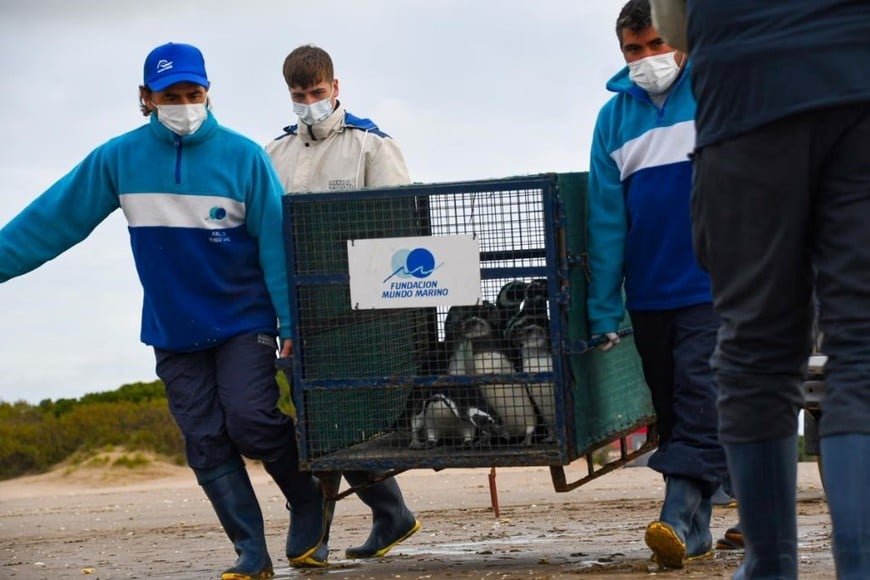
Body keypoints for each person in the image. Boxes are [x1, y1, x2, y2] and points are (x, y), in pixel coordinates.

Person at [0, 42, 334, 579]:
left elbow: (276, 244)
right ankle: (251, 550)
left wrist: (289, 323)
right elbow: (52, 220)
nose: (183, 103)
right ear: (146, 98)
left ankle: (308, 500)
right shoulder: (118, 159)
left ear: (208, 93)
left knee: (250, 419)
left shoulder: (244, 157)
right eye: (170, 95)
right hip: (173, 327)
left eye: (193, 93)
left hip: (243, 318)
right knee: (203, 438)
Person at [655, 1, 870, 578]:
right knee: (864, 347)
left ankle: (770, 563)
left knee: (757, 349)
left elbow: (674, 25)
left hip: (746, 93)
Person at [585, 0, 729, 569]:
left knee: (699, 395)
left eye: (655, 44)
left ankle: (673, 512)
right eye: (633, 50)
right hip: (648, 295)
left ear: (680, 39)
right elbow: (604, 219)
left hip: (718, 285)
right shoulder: (612, 120)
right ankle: (696, 532)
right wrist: (602, 310)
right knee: (673, 408)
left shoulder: (719, 90)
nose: (647, 58)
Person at [265, 44, 421, 565]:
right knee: (322, 415)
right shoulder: (274, 154)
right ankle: (391, 512)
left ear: (335, 87)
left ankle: (313, 538)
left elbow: (397, 229)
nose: (309, 102)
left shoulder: (372, 146)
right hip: (300, 313)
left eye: (316, 92)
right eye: (298, 95)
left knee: (334, 416)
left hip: (363, 316)